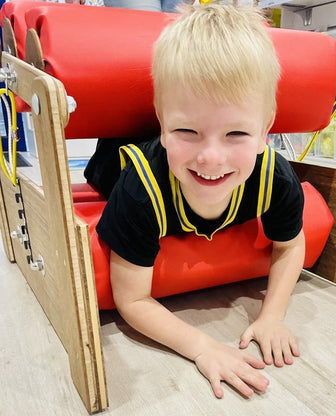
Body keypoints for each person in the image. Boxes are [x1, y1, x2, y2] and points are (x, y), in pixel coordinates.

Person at [96, 4, 305, 399]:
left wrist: (272, 315)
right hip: (116, 163)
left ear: (265, 130)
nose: (211, 158)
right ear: (161, 120)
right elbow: (133, 298)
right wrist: (203, 346)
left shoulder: (274, 177)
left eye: (237, 134)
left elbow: (291, 244)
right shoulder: (139, 191)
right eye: (187, 130)